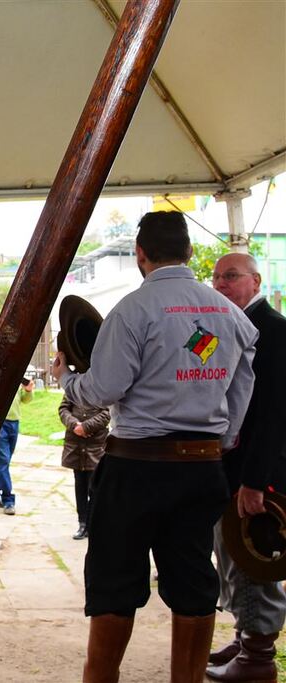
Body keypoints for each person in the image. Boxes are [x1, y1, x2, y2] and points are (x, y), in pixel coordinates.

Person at [50, 211, 257, 682]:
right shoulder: (230, 316)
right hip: (202, 468)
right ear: (189, 252)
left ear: (141, 255)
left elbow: (103, 389)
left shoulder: (132, 310)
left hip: (135, 469)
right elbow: (241, 395)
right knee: (193, 582)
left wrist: (68, 381)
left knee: (114, 583)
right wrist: (215, 444)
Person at [206, 252, 286, 682]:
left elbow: (274, 415)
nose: (221, 283)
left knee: (255, 559)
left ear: (256, 281)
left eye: (231, 276)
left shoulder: (274, 331)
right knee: (232, 558)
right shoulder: (228, 328)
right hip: (230, 469)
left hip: (260, 474)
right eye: (216, 277)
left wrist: (255, 482)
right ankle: (245, 637)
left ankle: (258, 659)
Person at [57, 397, 110, 540]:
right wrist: (75, 425)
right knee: (80, 485)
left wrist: (86, 427)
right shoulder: (73, 388)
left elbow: (107, 413)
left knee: (95, 487)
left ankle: (93, 524)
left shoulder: (102, 388)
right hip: (75, 444)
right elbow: (63, 409)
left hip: (96, 445)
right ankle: (82, 523)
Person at [0, 376, 33, 515]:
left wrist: (28, 391)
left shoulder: (16, 375)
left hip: (14, 423)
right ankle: (8, 499)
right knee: (2, 462)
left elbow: (25, 400)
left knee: (2, 463)